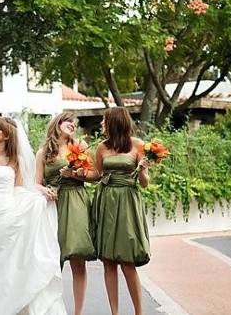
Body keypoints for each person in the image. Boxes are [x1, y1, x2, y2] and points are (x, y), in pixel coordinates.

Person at [0, 116, 66, 315]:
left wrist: (40, 193)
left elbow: (22, 189)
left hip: (6, 213)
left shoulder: (15, 160)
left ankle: (9, 306)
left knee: (5, 263)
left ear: (6, 135)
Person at [35, 112, 97, 315]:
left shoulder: (79, 147)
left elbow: (93, 176)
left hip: (76, 202)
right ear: (58, 123)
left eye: (75, 123)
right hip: (52, 207)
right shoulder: (43, 152)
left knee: (77, 259)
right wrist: (44, 190)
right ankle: (51, 309)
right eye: (68, 121)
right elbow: (35, 183)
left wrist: (78, 174)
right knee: (52, 261)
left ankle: (78, 312)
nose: (73, 124)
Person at [92, 107, 151, 315]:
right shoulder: (101, 147)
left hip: (127, 202)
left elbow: (144, 183)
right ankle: (114, 313)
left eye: (104, 121)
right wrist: (76, 172)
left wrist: (143, 169)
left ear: (115, 122)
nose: (101, 124)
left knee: (127, 262)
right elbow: (96, 175)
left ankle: (138, 313)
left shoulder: (138, 145)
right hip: (107, 202)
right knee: (108, 261)